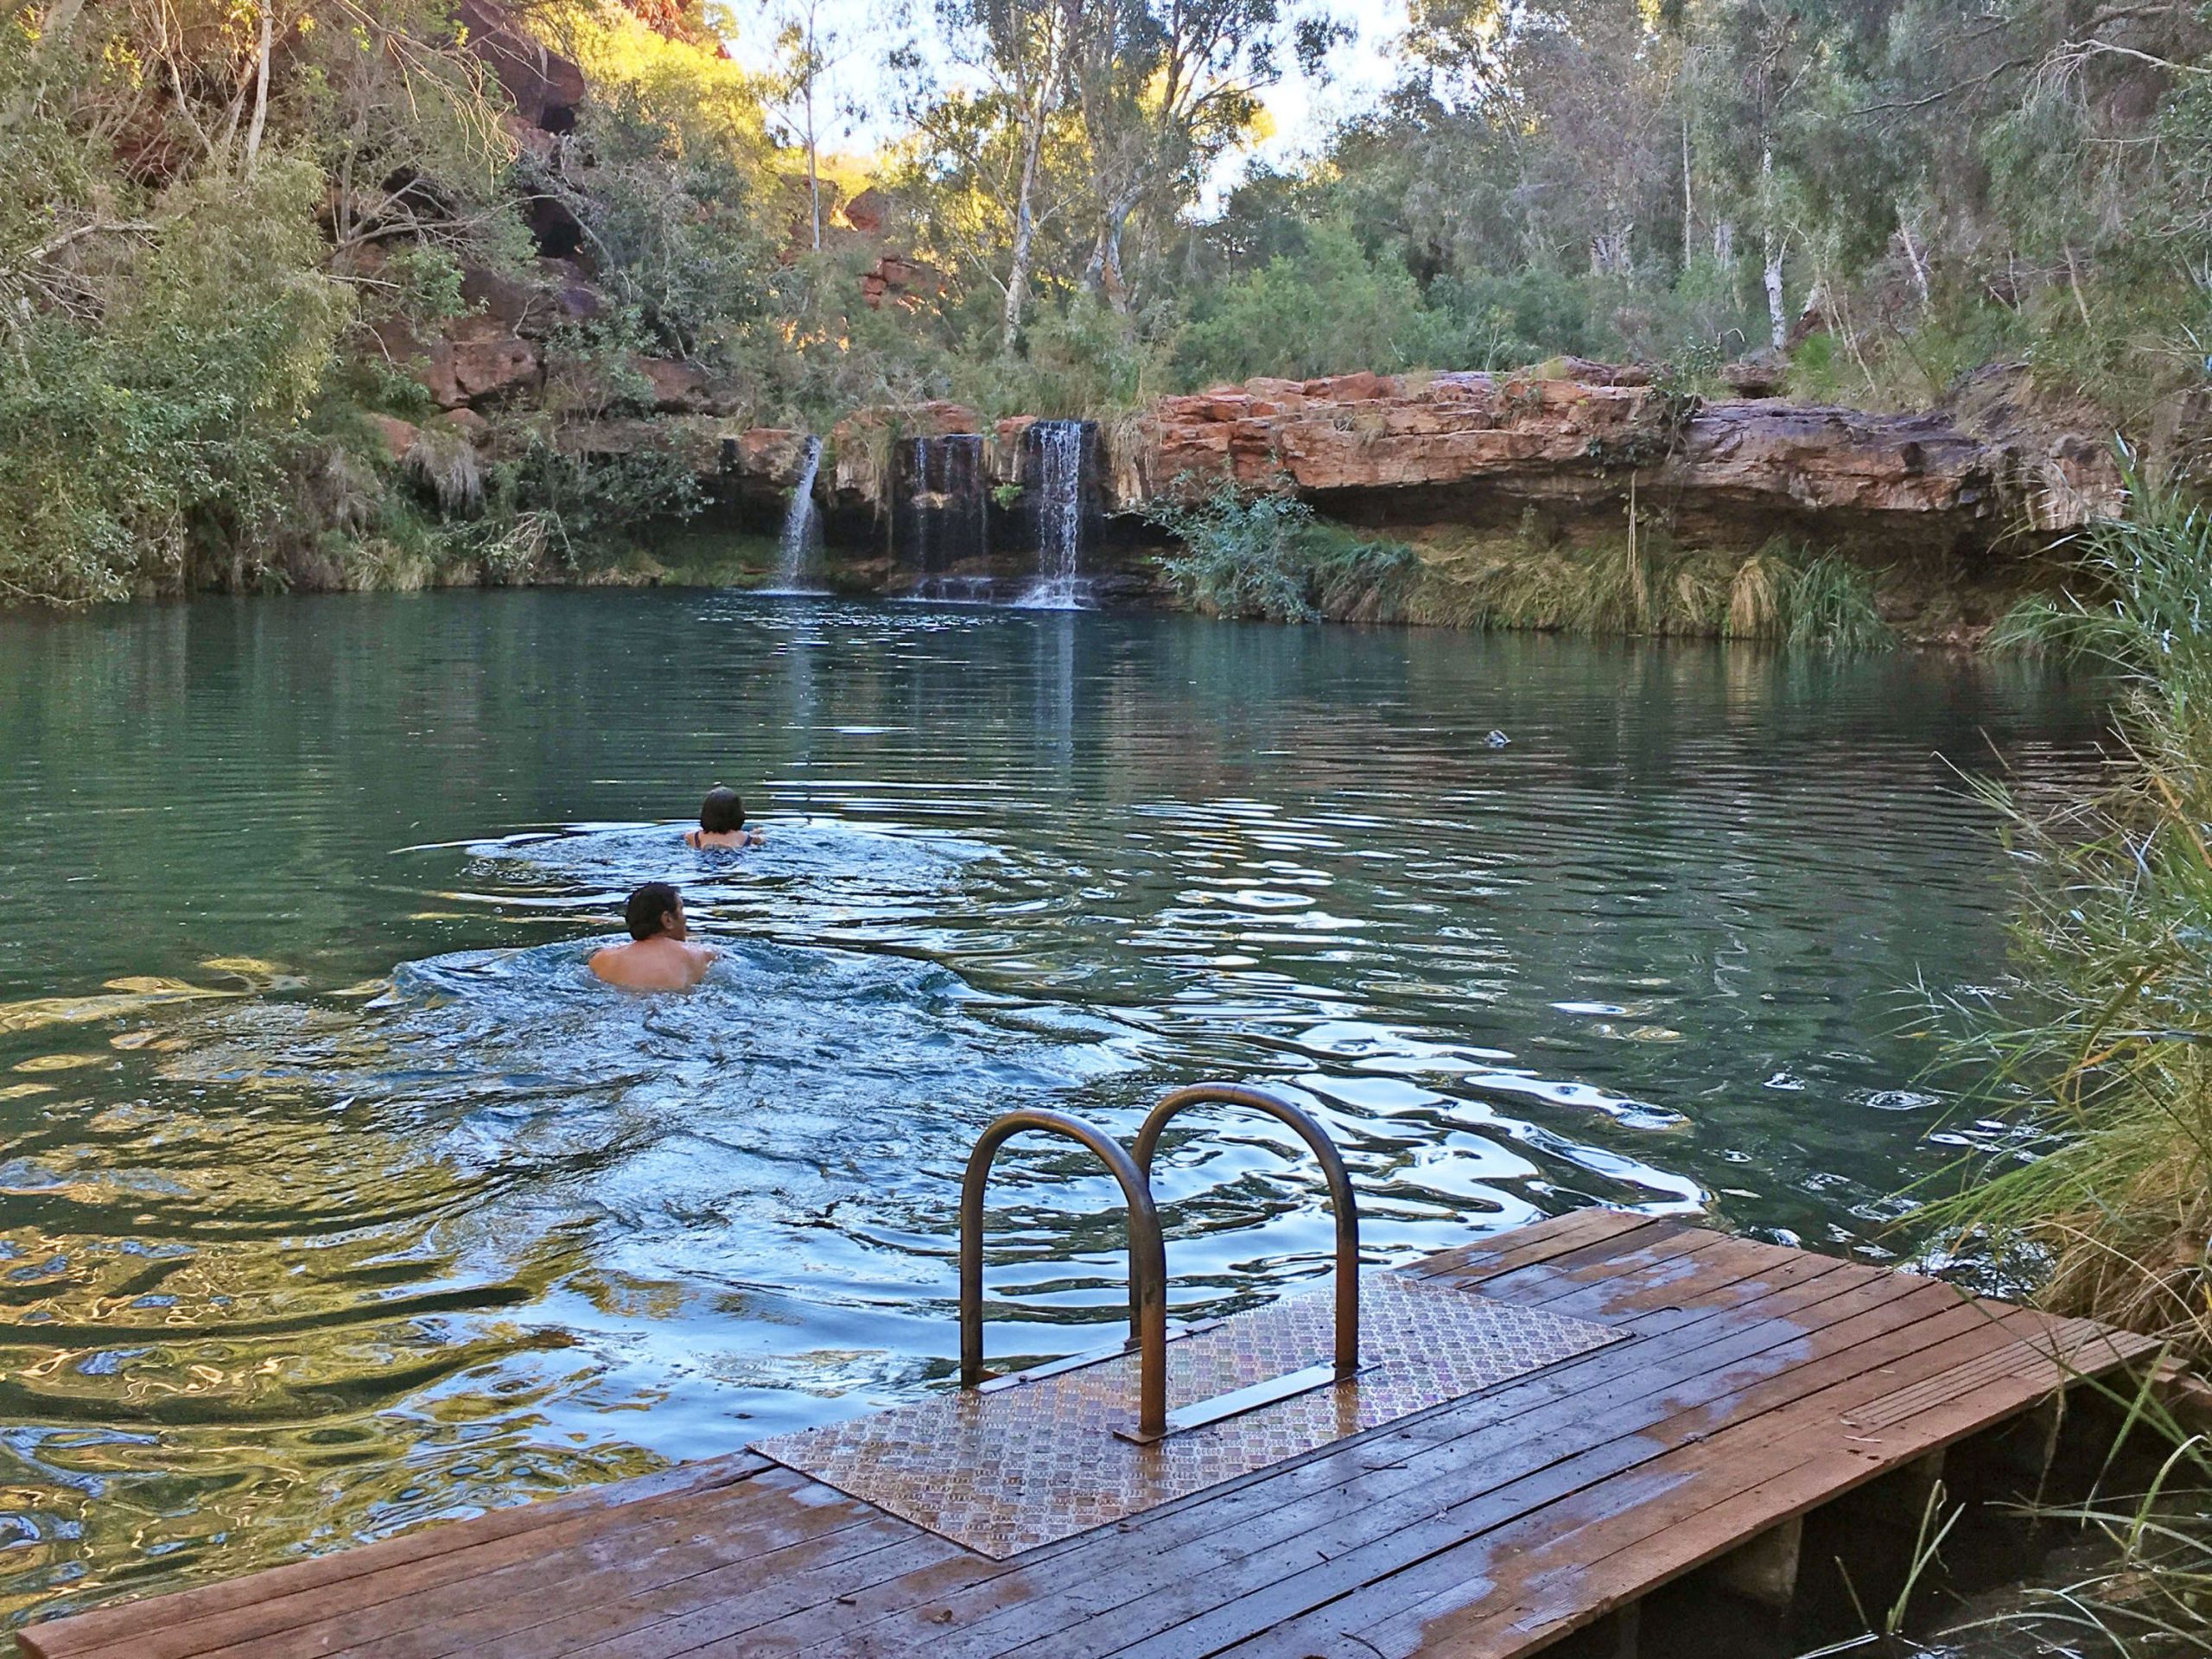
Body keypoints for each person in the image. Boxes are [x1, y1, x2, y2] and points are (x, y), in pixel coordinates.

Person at [589, 882, 719, 991]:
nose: (685, 918)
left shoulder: (601, 959)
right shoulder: (700, 955)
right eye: (681, 909)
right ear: (667, 919)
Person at [684, 785, 765, 851]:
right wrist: (755, 834)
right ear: (738, 814)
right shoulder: (748, 838)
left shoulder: (692, 836)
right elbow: (761, 841)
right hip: (733, 855)